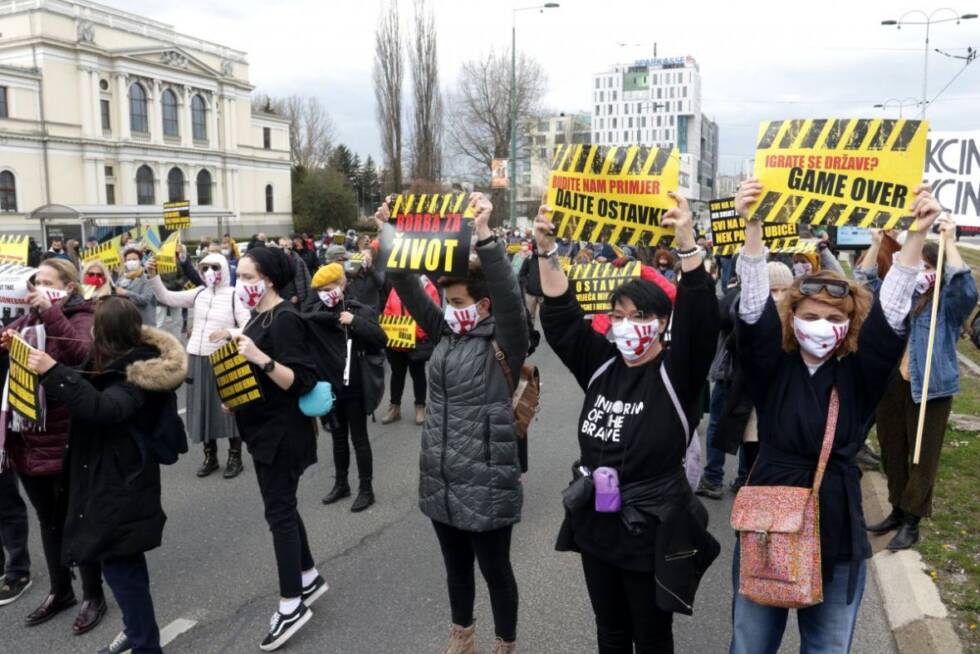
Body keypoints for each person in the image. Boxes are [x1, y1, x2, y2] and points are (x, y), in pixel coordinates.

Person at [728, 178, 943, 654]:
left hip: (839, 533)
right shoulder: (772, 368)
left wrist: (914, 237)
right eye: (810, 315)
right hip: (769, 524)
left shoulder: (859, 375)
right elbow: (751, 313)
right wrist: (754, 228)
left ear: (848, 327)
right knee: (750, 645)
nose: (821, 326)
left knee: (827, 648)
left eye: (833, 318)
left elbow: (889, 318)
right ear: (791, 320)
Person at [536, 192, 721, 653]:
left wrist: (687, 242)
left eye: (639, 317)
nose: (626, 326)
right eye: (617, 316)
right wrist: (545, 251)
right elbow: (561, 320)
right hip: (597, 522)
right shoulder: (602, 363)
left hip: (651, 526)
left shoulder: (678, 371)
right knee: (610, 630)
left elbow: (701, 319)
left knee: (651, 635)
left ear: (661, 322)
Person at [377, 193, 528, 654]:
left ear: (482, 305)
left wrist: (484, 236)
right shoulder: (443, 330)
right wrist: (390, 231)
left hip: (486, 477)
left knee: (495, 571)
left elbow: (507, 294)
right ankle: (462, 637)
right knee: (456, 569)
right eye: (445, 298)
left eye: (458, 299)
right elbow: (402, 280)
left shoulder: (505, 339)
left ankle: (505, 644)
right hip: (441, 474)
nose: (448, 305)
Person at [29, 297, 186, 654]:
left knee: (119, 564)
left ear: (107, 332)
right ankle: (138, 631)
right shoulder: (115, 356)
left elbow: (105, 408)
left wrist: (53, 372)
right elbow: (81, 376)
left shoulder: (138, 370)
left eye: (97, 324)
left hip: (122, 480)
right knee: (124, 562)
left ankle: (146, 645)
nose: (91, 330)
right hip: (109, 474)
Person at [211, 247, 325, 651]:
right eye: (238, 276)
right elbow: (260, 377)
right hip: (263, 429)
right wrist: (236, 392)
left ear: (269, 279)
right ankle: (308, 576)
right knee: (285, 506)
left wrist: (258, 357)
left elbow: (303, 381)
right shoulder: (261, 316)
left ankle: (291, 604)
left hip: (282, 435)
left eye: (245, 276)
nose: (240, 283)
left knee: (278, 512)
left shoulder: (286, 319)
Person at [0, 259, 105, 632]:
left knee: (77, 518)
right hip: (29, 436)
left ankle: (94, 594)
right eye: (35, 282)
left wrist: (50, 313)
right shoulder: (26, 319)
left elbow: (82, 354)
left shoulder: (82, 315)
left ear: (69, 288)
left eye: (46, 283)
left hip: (65, 437)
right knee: (48, 520)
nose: (37, 289)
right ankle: (61, 590)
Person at [860, 224, 977, 550]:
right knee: (892, 448)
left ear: (937, 271)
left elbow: (967, 289)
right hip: (892, 383)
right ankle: (897, 508)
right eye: (918, 266)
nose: (921, 273)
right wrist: (875, 244)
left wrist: (949, 241)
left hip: (930, 387)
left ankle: (912, 521)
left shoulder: (947, 304)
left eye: (928, 267)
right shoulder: (899, 296)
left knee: (922, 457)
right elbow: (865, 282)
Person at [148, 253, 250, 478]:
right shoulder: (199, 293)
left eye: (214, 267)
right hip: (196, 356)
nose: (209, 272)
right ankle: (210, 456)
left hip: (224, 357)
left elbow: (249, 325)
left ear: (223, 268)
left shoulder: (234, 295)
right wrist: (153, 276)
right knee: (201, 407)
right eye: (204, 268)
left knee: (229, 407)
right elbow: (166, 297)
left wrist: (229, 333)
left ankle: (235, 456)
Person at [698, 262, 793, 500]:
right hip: (729, 376)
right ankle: (713, 477)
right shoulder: (739, 300)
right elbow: (726, 318)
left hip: (758, 386)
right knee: (720, 424)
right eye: (772, 290)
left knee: (750, 430)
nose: (778, 297)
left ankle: (744, 477)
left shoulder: (794, 318)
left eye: (785, 291)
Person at [307, 263, 387, 512]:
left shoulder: (359, 310)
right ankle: (341, 483)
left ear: (342, 285)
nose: (324, 294)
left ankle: (366, 489)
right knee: (338, 438)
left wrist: (355, 322)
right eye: (320, 289)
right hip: (329, 388)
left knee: (359, 439)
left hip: (355, 386)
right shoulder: (316, 312)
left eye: (328, 288)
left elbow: (380, 339)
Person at [379, 278, 440, 426]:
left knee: (418, 375)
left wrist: (415, 333)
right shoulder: (397, 285)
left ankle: (420, 407)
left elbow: (432, 314)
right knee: (396, 374)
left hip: (416, 341)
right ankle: (394, 407)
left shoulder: (428, 287)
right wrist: (389, 330)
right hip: (396, 341)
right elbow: (388, 309)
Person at [114, 247, 156, 327]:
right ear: (125, 262)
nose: (131, 262)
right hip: (127, 323)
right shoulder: (122, 279)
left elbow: (145, 300)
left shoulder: (147, 278)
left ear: (140, 261)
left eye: (134, 259)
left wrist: (126, 293)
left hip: (144, 323)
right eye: (128, 260)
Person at [277, 237, 312, 307]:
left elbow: (307, 279)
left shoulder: (298, 261)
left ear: (291, 246)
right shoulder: (275, 261)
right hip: (281, 297)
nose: (284, 248)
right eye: (281, 245)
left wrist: (297, 295)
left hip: (297, 298)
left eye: (286, 245)